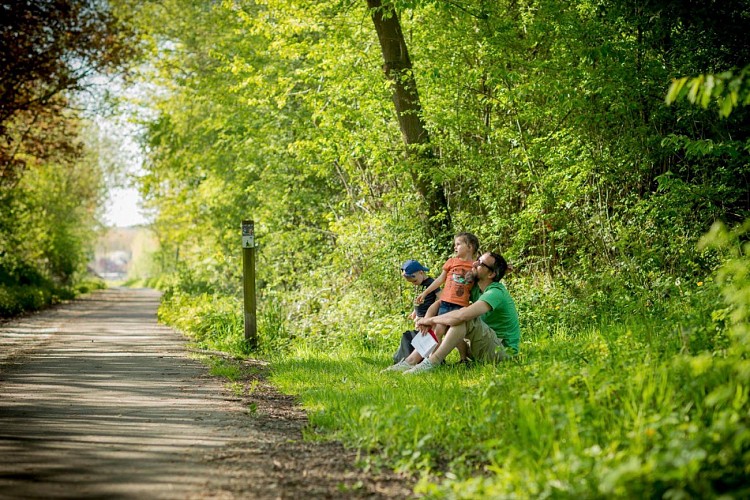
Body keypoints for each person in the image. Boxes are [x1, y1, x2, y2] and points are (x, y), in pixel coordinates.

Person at [389, 251, 520, 374]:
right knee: (446, 312)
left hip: (503, 353)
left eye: (480, 263)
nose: (474, 263)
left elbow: (463, 315)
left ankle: (432, 362)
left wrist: (429, 320)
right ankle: (411, 361)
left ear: (491, 274)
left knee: (461, 317)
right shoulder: (475, 289)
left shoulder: (495, 292)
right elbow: (445, 301)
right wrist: (429, 316)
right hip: (480, 348)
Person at [391, 259, 440, 364]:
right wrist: (414, 312)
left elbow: (440, 298)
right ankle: (417, 357)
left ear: (421, 273)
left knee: (428, 337)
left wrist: (431, 316)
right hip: (419, 317)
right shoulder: (419, 283)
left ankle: (431, 358)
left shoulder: (431, 283)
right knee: (419, 337)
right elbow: (418, 301)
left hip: (427, 317)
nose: (413, 284)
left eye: (414, 281)